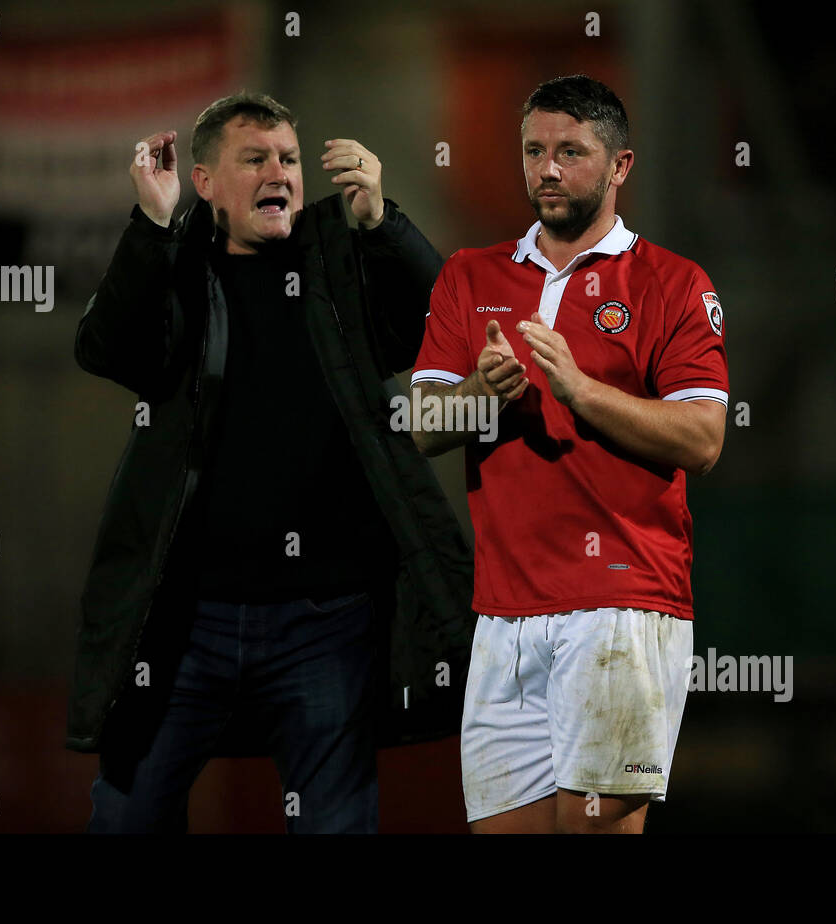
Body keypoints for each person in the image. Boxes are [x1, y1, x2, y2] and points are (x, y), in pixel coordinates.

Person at [67, 91, 473, 834]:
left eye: (287, 158)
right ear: (204, 182)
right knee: (126, 821)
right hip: (186, 623)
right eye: (254, 159)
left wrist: (384, 221)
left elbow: (448, 320)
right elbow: (106, 349)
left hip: (327, 622)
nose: (278, 172)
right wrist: (152, 225)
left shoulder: (340, 265)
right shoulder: (177, 267)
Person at [410, 75, 729, 834]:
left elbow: (703, 438)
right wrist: (483, 390)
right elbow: (418, 425)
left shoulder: (673, 284)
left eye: (571, 153)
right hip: (503, 614)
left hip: (622, 601)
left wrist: (581, 392)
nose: (547, 169)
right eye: (534, 150)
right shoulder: (470, 275)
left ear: (619, 167)